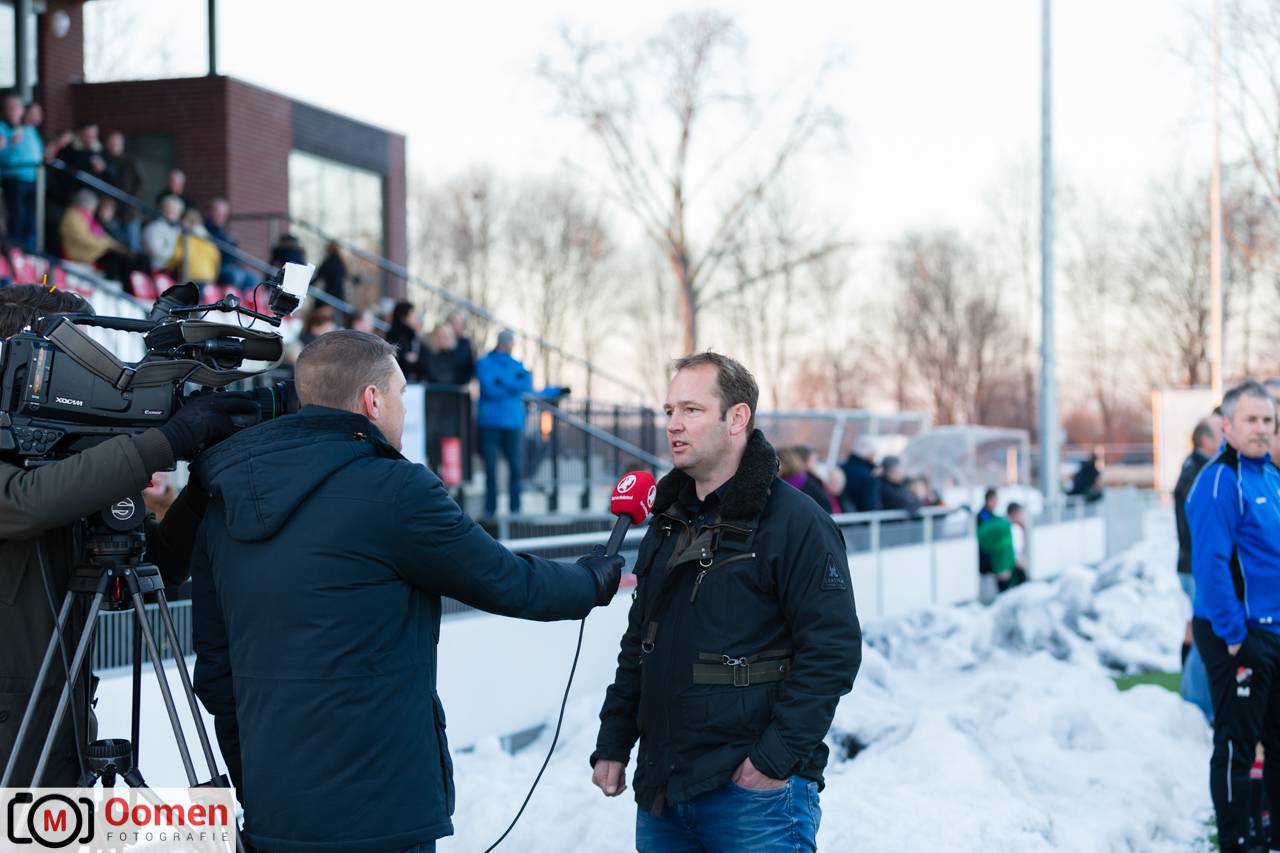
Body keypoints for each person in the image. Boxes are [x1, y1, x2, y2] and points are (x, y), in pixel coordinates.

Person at [188, 330, 624, 852]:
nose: (402, 406)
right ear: (372, 400)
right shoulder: (396, 489)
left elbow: (215, 674)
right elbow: (509, 582)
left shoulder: (224, 499)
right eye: (399, 394)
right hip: (383, 811)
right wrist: (592, 580)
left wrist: (255, 781)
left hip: (275, 813)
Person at [590, 352, 860, 853]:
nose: (673, 424)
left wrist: (771, 761)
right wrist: (614, 741)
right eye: (669, 410)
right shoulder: (667, 521)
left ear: (737, 418)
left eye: (691, 410)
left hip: (755, 799)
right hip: (663, 793)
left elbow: (832, 651)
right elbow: (640, 642)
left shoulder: (797, 521)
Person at [0, 285, 255, 786]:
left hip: (62, 731)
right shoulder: (47, 467)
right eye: (82, 362)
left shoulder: (74, 455)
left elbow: (157, 564)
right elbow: (24, 503)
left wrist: (202, 485)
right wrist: (167, 441)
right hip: (13, 749)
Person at [1187, 380, 1280, 852]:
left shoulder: (1270, 475)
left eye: (1268, 420)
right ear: (1227, 425)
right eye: (1251, 420)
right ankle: (1237, 842)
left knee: (1274, 743)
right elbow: (1210, 565)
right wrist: (1235, 636)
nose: (1260, 428)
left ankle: (1270, 836)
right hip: (1239, 634)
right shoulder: (1220, 480)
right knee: (1237, 746)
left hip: (1273, 631)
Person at [1177, 416, 1224, 722]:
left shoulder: (1196, 469)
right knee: (1205, 636)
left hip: (1194, 566)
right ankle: (1195, 704)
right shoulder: (1198, 474)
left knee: (1198, 632)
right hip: (1196, 567)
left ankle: (1196, 703)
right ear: (1206, 440)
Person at [475, 329, 533, 517]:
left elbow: (526, 384)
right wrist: (512, 385)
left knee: (515, 467)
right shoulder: (484, 363)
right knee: (490, 468)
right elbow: (489, 389)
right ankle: (490, 509)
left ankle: (515, 508)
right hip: (490, 422)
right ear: (505, 343)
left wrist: (502, 381)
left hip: (513, 422)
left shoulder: (517, 364)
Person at [58, 188, 139, 284]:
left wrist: (114, 245)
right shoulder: (74, 216)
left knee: (125, 257)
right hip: (77, 255)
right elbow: (84, 239)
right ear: (86, 204)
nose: (92, 210)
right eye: (93, 207)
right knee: (115, 257)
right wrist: (107, 244)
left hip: (90, 253)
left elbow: (102, 236)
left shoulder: (86, 217)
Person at [0, 94, 42, 250]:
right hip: (13, 178)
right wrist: (9, 142)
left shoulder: (28, 129)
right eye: (9, 108)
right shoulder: (2, 128)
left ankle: (28, 251)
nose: (13, 111)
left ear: (22, 110)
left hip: (33, 178)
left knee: (31, 218)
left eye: (16, 108)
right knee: (17, 217)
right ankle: (14, 250)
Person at [204, 198, 258, 291]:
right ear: (211, 212)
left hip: (232, 266)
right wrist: (228, 240)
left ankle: (244, 299)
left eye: (224, 214)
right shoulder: (206, 230)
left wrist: (232, 241)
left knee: (253, 278)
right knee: (234, 276)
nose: (221, 216)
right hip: (216, 266)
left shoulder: (225, 231)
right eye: (218, 212)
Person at [102, 131, 142, 251]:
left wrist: (132, 200)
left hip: (129, 211)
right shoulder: (103, 161)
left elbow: (140, 183)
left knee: (133, 247)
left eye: (117, 143)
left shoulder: (130, 161)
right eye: (112, 143)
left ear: (122, 144)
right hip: (110, 211)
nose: (114, 146)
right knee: (113, 246)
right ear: (107, 144)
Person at [169, 208, 221, 283]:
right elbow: (216, 259)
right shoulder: (208, 238)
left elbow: (177, 256)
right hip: (208, 277)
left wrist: (168, 268)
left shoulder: (184, 237)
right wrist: (214, 278)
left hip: (191, 277)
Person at [141, 194, 184, 274]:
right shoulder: (153, 228)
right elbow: (156, 253)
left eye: (176, 212)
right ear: (163, 210)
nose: (172, 215)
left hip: (175, 271)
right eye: (170, 211)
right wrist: (177, 255)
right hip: (157, 271)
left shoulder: (179, 230)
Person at [385, 300, 424, 381]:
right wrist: (406, 357)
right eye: (412, 316)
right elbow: (393, 357)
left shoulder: (413, 335)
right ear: (403, 317)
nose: (415, 319)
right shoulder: (394, 335)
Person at [841, 437, 879, 512]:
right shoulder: (868, 475)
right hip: (860, 515)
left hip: (844, 513)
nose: (874, 457)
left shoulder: (842, 468)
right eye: (873, 453)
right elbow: (869, 505)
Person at [445, 310, 476, 385]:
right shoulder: (440, 340)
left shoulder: (466, 344)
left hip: (458, 386)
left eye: (458, 324)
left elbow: (470, 367)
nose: (454, 326)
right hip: (438, 385)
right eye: (452, 323)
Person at [312, 240, 348, 304]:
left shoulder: (328, 263)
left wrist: (307, 286)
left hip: (330, 296)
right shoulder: (341, 263)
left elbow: (317, 277)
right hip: (339, 296)